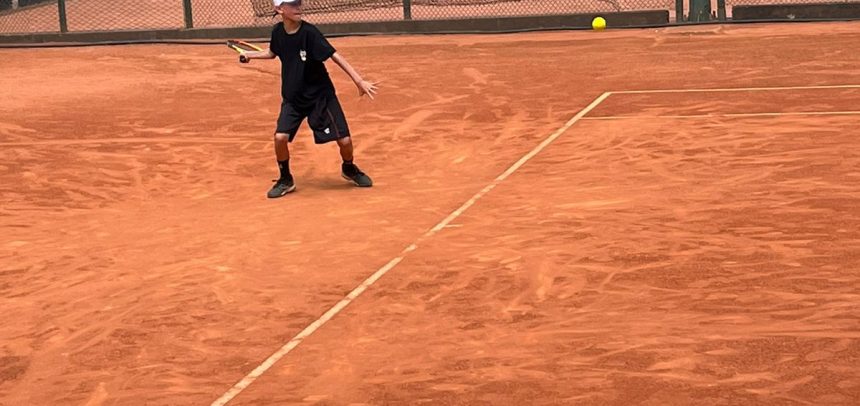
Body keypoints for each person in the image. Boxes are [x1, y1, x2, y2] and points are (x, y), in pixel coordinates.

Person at [239, 0, 379, 198]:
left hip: (320, 97)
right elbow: (271, 53)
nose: (298, 7)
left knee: (345, 141)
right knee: (280, 138)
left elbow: (335, 56)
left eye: (299, 3)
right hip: (293, 98)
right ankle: (285, 179)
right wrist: (250, 55)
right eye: (292, 4)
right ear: (279, 9)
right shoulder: (277, 32)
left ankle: (349, 167)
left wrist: (359, 81)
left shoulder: (310, 33)